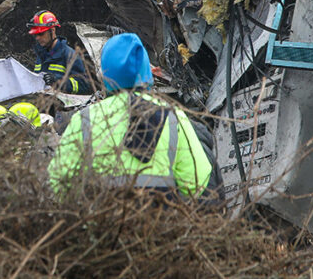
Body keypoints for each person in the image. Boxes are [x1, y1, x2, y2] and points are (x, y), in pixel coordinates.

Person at [48, 33, 212, 199]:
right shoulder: (173, 116)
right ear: (145, 70)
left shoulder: (84, 120)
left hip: (102, 221)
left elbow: (58, 184)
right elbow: (197, 184)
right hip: (160, 221)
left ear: (105, 73)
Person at [28, 10, 93, 95]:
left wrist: (58, 81)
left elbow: (84, 86)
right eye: (35, 35)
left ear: (52, 30)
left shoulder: (70, 55)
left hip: (63, 106)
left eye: (41, 33)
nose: (37, 38)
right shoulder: (41, 55)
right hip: (42, 104)